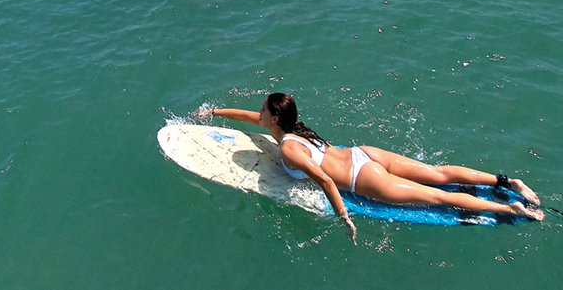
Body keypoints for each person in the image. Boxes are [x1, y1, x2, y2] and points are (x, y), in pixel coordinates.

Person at [197, 93, 544, 241]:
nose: (257, 115)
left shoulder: (289, 150)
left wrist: (343, 217)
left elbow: (325, 182)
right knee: (438, 173)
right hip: (364, 154)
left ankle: (507, 207)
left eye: (262, 111)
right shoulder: (296, 130)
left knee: (438, 198)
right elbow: (248, 117)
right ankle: (509, 181)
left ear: (274, 119)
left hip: (361, 178)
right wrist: (215, 114)